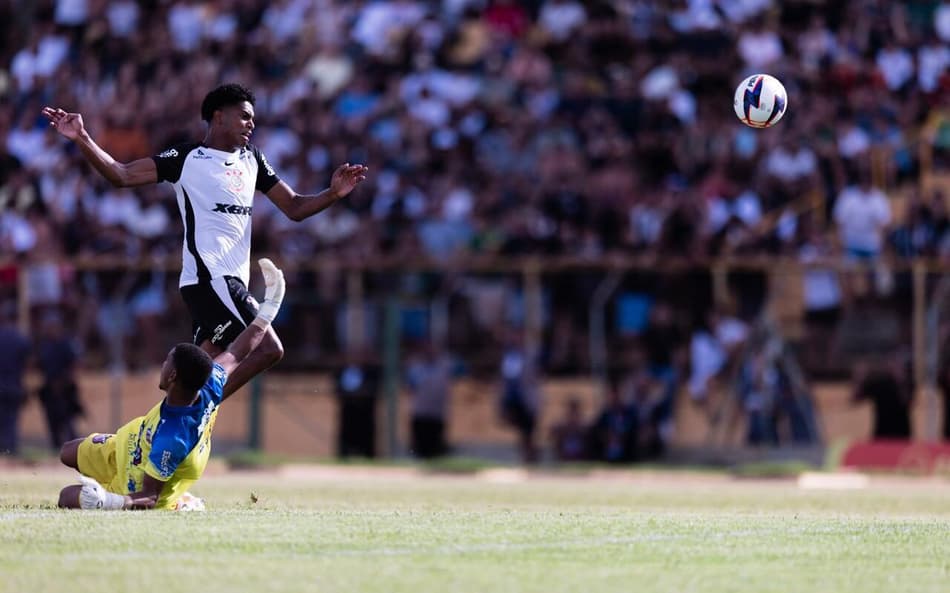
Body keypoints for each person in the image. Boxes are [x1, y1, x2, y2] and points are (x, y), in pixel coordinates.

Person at [42, 84, 368, 398]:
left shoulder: (252, 159)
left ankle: (160, 436)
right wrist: (82, 137)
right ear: (218, 116)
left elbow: (294, 207)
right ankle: (197, 411)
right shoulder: (186, 158)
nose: (251, 123)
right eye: (243, 115)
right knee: (268, 348)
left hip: (226, 284)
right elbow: (121, 174)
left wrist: (333, 194)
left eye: (252, 117)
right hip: (210, 278)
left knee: (194, 374)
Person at [56, 258, 286, 511]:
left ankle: (178, 501)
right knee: (67, 452)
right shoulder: (210, 382)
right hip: (130, 441)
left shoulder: (173, 437)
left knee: (67, 497)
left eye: (167, 361)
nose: (162, 365)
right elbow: (239, 349)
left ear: (173, 376)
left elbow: (150, 496)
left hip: (133, 476)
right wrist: (270, 305)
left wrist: (110, 501)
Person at [35, 310, 84, 449]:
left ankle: (75, 448)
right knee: (52, 420)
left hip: (65, 389)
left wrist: (65, 381)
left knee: (68, 421)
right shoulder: (44, 344)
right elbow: (40, 364)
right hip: (50, 389)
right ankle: (56, 447)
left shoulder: (66, 343)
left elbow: (76, 364)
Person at [0, 302, 30, 455]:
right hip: (13, 385)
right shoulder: (19, 338)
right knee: (11, 420)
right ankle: (10, 450)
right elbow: (28, 361)